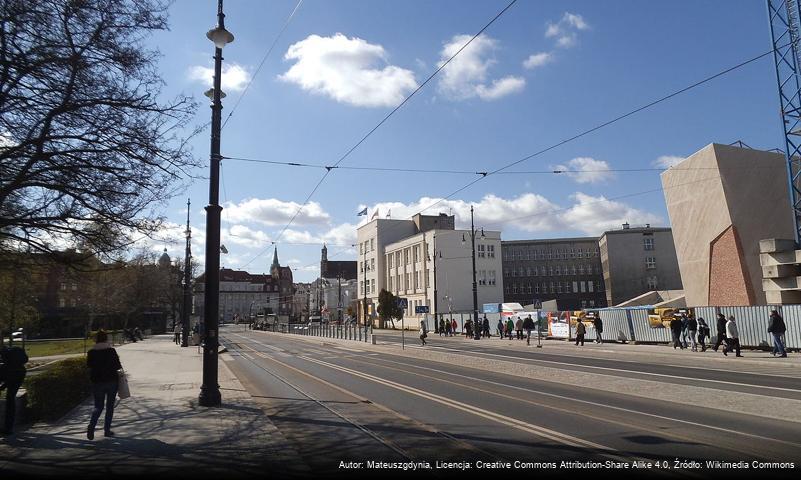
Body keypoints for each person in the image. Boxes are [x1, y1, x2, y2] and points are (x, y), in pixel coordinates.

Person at [86, 330, 123, 439]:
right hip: (112, 381)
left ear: (96, 339)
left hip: (97, 382)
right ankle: (107, 430)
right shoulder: (111, 351)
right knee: (110, 407)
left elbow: (89, 365)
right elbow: (118, 365)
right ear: (106, 339)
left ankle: (91, 427)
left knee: (98, 406)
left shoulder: (91, 352)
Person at [0, 345, 28, 435]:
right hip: (20, 373)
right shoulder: (18, 361)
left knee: (10, 400)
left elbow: (9, 378)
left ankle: (8, 428)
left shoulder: (6, 364)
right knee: (10, 399)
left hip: (10, 373)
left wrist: (3, 386)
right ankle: (9, 428)